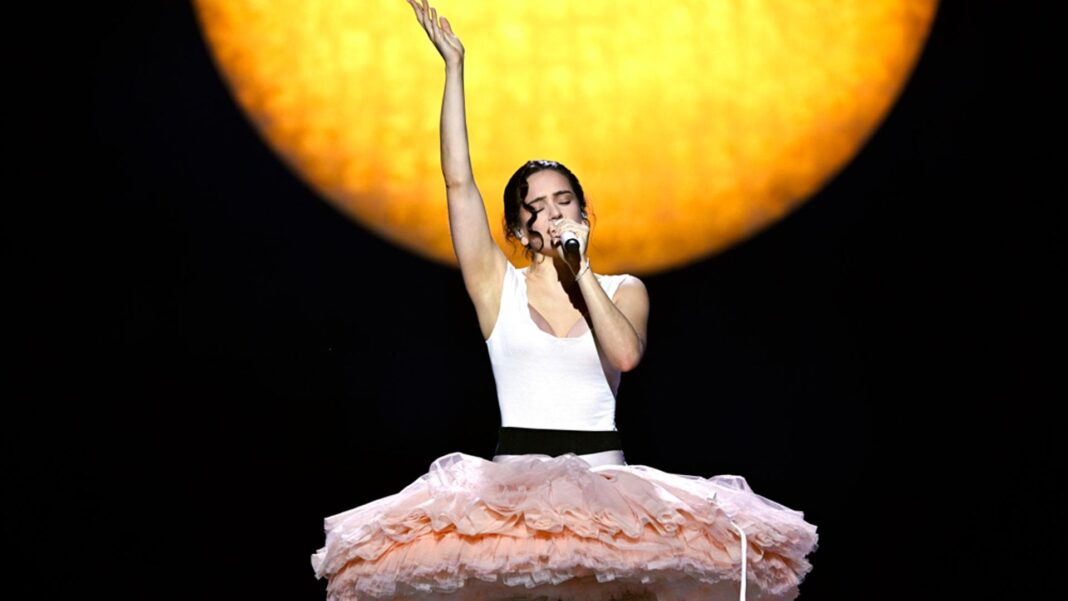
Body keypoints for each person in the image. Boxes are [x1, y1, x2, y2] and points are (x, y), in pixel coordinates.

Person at [310, 2, 819, 599]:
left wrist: (584, 273)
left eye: (564, 202)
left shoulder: (624, 289)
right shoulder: (497, 287)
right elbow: (458, 183)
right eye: (537, 208)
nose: (553, 214)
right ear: (520, 230)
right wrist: (454, 68)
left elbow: (625, 356)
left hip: (608, 490)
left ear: (583, 212)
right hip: (511, 496)